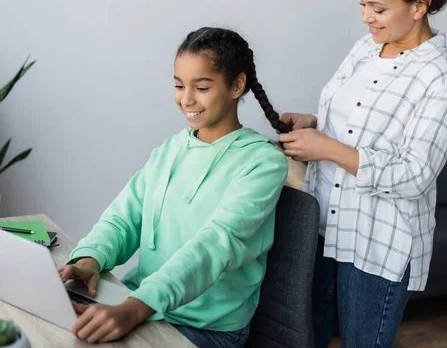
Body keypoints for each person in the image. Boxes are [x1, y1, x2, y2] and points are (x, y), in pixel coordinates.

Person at [278, 0, 447, 346]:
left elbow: (415, 174)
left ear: (419, 6)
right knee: (302, 338)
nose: (366, 17)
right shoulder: (366, 48)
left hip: (377, 244)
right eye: (362, 4)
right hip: (323, 229)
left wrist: (326, 148)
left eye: (378, 8)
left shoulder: (440, 80)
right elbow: (356, 125)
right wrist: (315, 125)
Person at [58, 27, 290, 348]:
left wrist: (135, 309)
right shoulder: (172, 148)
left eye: (202, 87)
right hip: (141, 303)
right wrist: (90, 259)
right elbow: (125, 215)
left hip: (206, 327)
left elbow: (216, 245)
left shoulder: (263, 162)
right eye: (179, 85)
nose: (186, 99)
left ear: (237, 85)